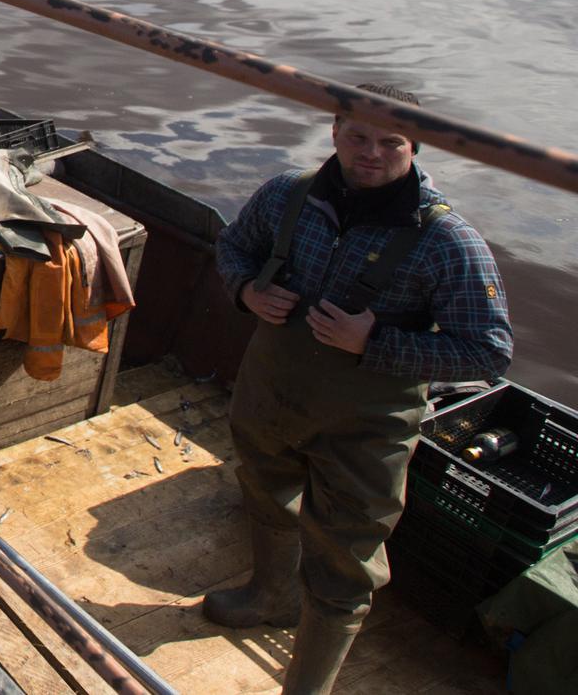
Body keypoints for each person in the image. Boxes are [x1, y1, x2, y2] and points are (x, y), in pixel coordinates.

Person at [208, 83, 511, 695]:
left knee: (345, 564)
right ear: (336, 132)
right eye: (358, 137)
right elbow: (233, 246)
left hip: (366, 426)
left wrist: (375, 343)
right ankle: (269, 595)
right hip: (270, 395)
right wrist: (246, 291)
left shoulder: (448, 243)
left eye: (389, 142)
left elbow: (490, 352)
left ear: (415, 145)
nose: (371, 152)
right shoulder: (286, 197)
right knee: (265, 491)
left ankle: (306, 688)